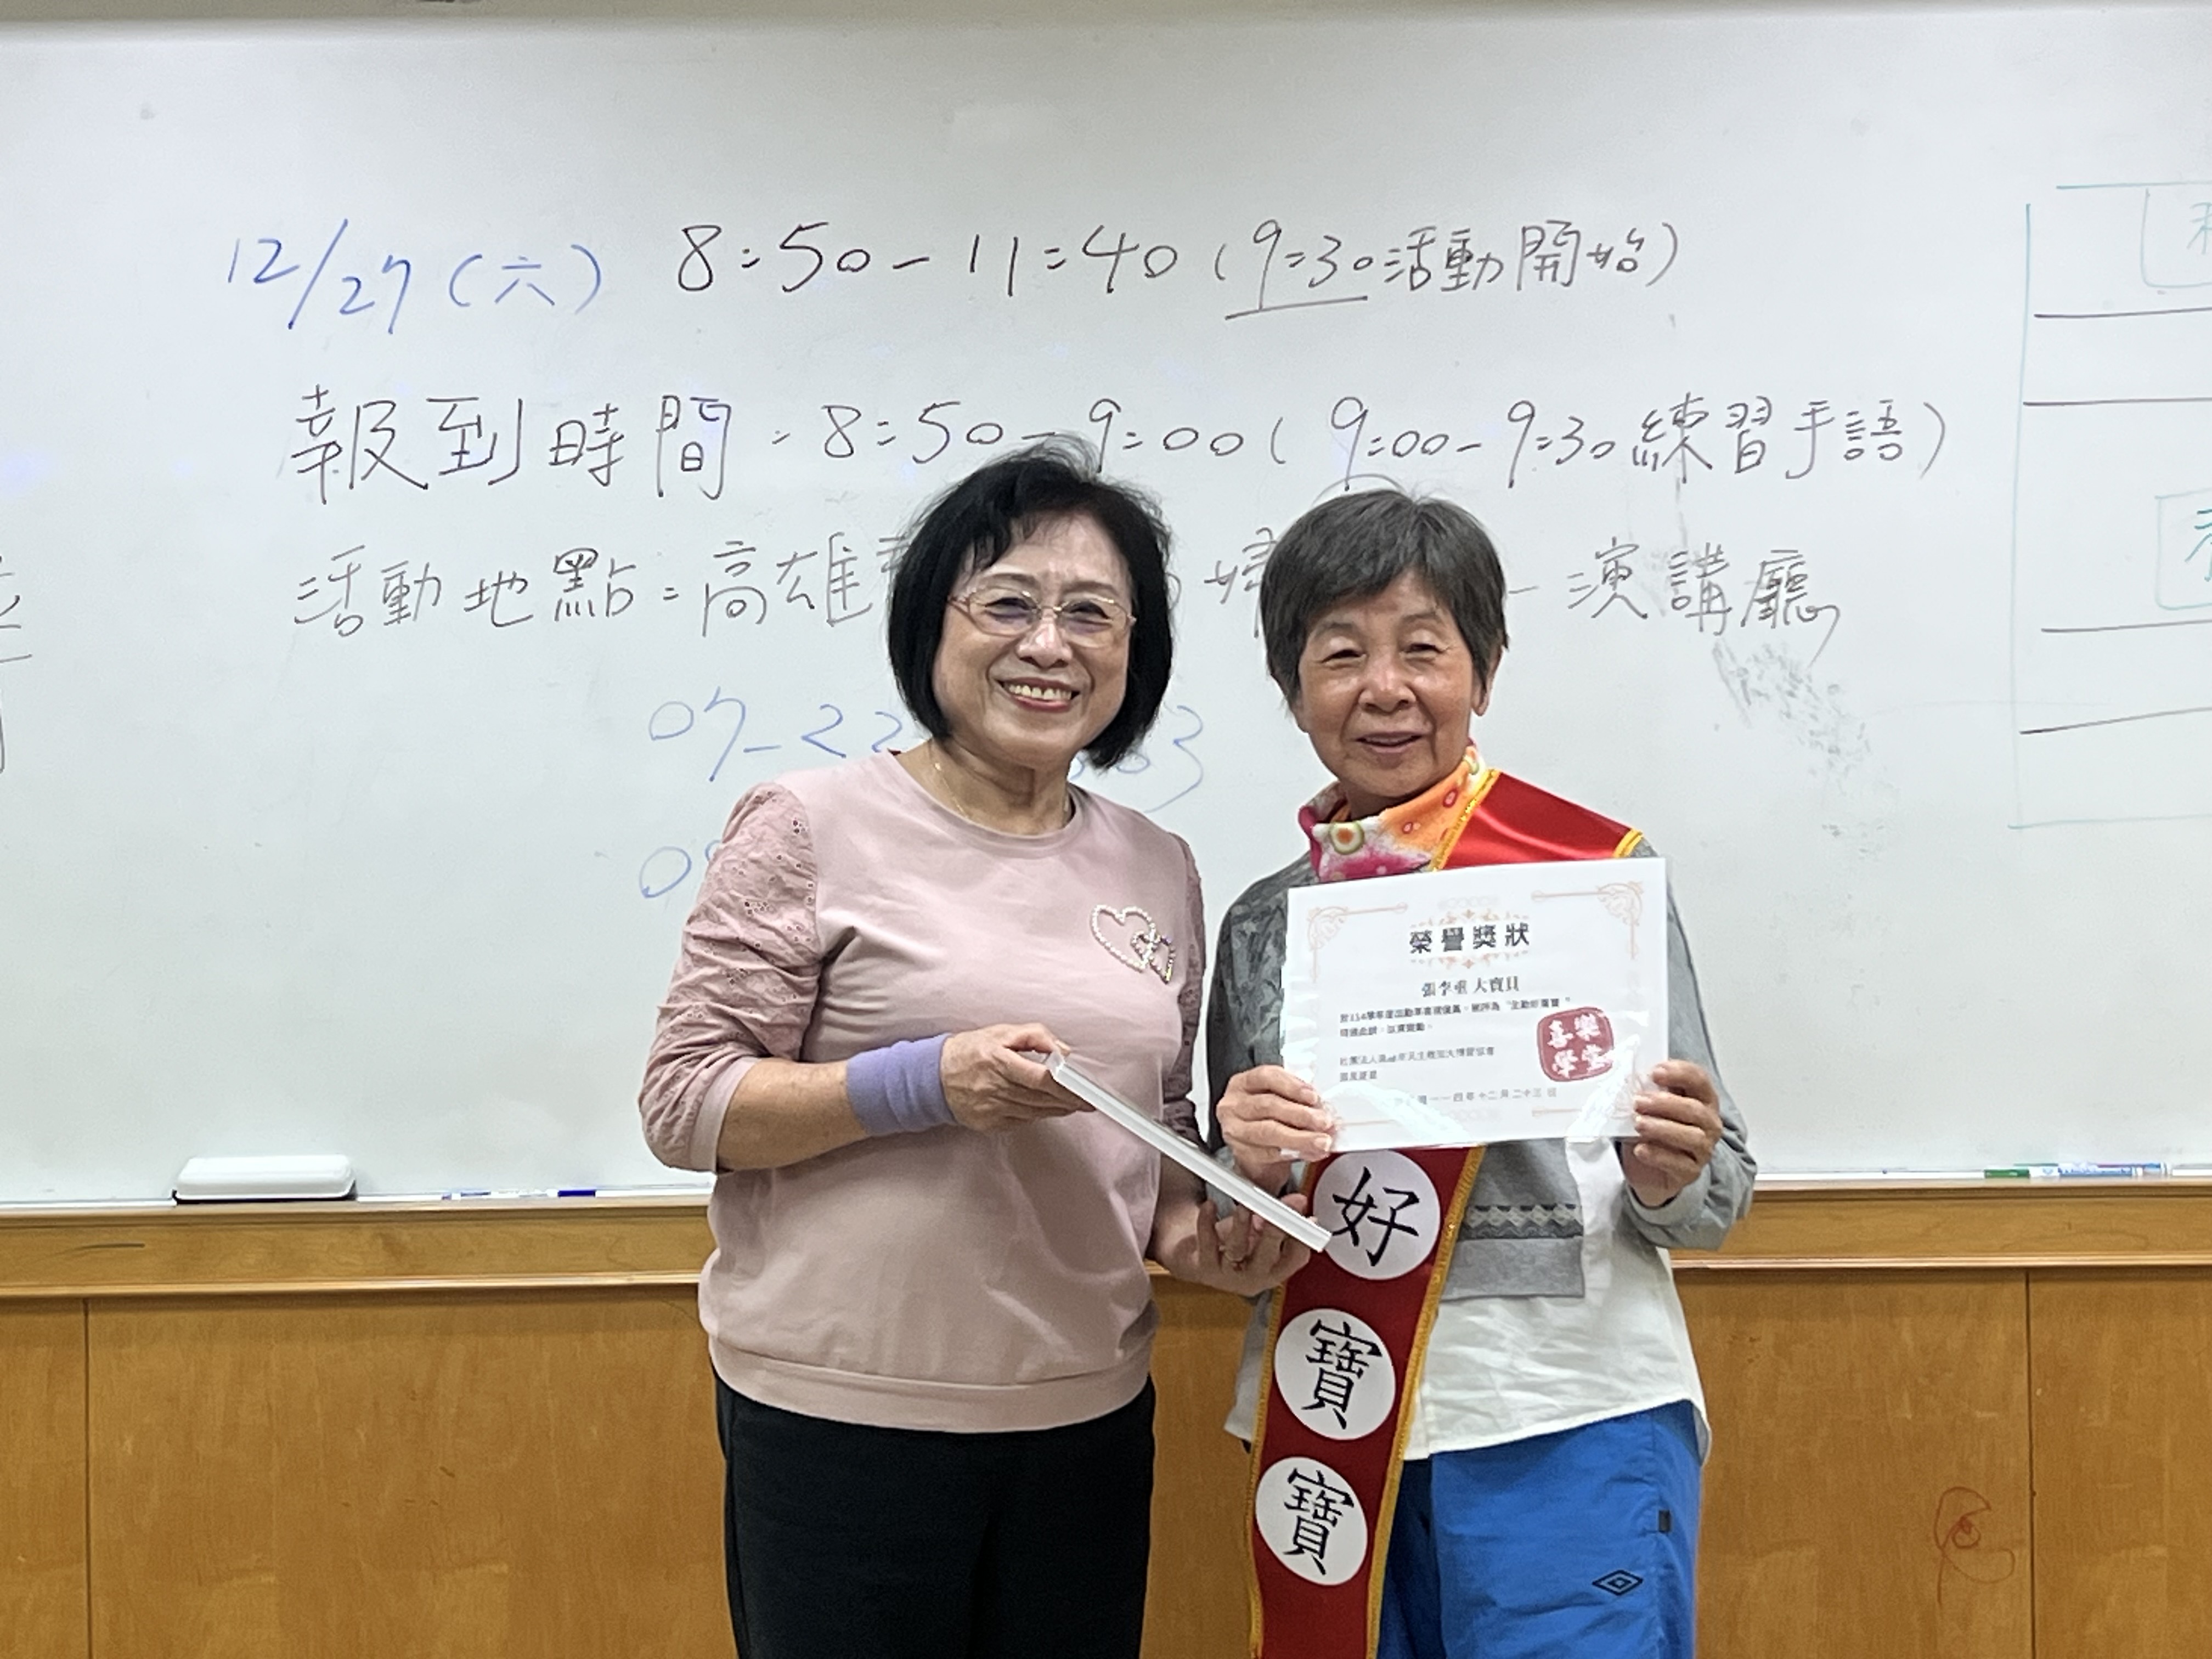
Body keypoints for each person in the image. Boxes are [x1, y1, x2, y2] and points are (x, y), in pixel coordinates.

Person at [637, 439, 1309, 1659]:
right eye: (1007, 604)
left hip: (1086, 1414)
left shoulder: (1159, 863)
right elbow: (686, 1103)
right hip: (843, 1420)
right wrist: (926, 1084)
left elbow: (1153, 1144)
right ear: (931, 624)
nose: (1050, 645)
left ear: (1136, 650)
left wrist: (1210, 1239)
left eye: (1091, 614)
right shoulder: (809, 824)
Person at [1207, 489, 1754, 1659]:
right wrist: (1242, 1170)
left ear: (1485, 672)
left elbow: (1717, 1193)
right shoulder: (1263, 923)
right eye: (1341, 654)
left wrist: (1669, 1171)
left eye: (1423, 648)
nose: (1384, 688)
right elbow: (1234, 1228)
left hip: (1569, 1414)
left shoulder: (1592, 881)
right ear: (1293, 688)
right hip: (1335, 1416)